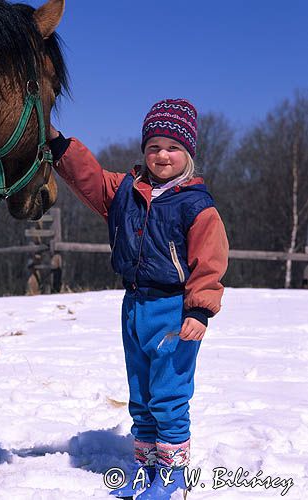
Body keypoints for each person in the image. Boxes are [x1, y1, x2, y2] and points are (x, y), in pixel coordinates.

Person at [49, 98, 229, 499]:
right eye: (153, 147)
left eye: (172, 147)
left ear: (188, 154)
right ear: (143, 150)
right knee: (141, 394)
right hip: (134, 307)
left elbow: (210, 261)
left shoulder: (197, 205)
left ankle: (172, 475)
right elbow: (89, 177)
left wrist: (199, 310)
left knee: (168, 393)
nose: (161, 155)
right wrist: (57, 142)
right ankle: (144, 467)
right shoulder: (126, 190)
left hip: (174, 311)